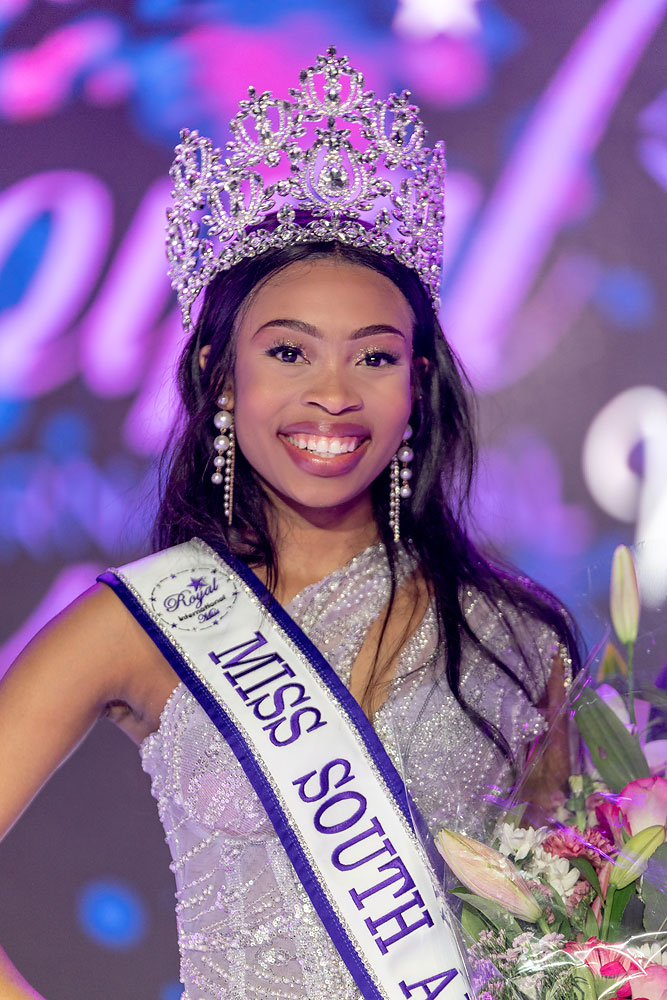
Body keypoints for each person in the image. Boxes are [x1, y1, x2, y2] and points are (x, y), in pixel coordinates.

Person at [0, 48, 579, 1000]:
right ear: (219, 375)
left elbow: (578, 929)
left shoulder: (516, 636)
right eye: (288, 352)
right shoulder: (143, 619)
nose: (332, 394)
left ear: (416, 386)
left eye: (374, 358)